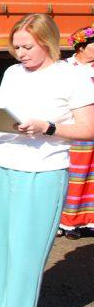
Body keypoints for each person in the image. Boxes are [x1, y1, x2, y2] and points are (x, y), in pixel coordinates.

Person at [0, 14, 94, 307]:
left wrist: (49, 127)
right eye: (16, 47)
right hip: (2, 163)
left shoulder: (72, 77)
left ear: (47, 41)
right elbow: (5, 113)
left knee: (27, 248)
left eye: (27, 46)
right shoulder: (12, 73)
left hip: (43, 170)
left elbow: (88, 128)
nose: (20, 53)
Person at [58, 24, 94, 239]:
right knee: (72, 175)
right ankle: (66, 221)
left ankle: (88, 220)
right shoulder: (64, 68)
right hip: (73, 130)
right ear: (81, 46)